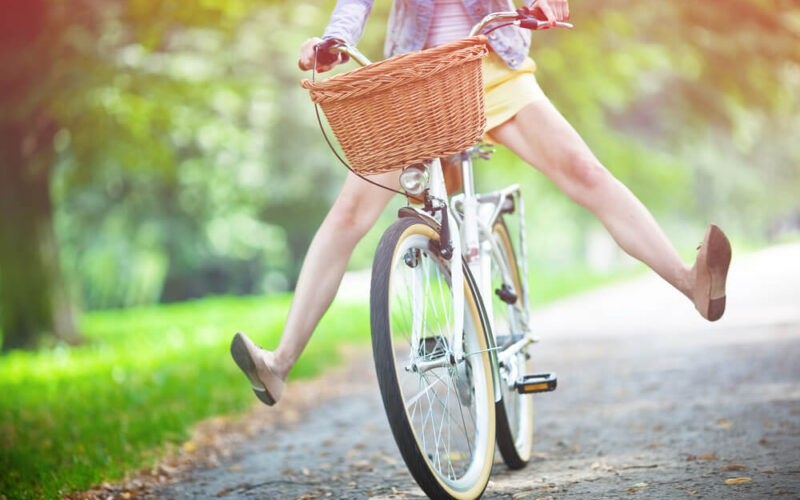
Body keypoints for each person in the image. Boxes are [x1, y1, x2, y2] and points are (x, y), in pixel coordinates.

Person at [229, 0, 732, 406]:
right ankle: (280, 364)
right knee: (348, 213)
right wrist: (333, 41)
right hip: (414, 80)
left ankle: (691, 283)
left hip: (492, 67)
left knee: (585, 172)